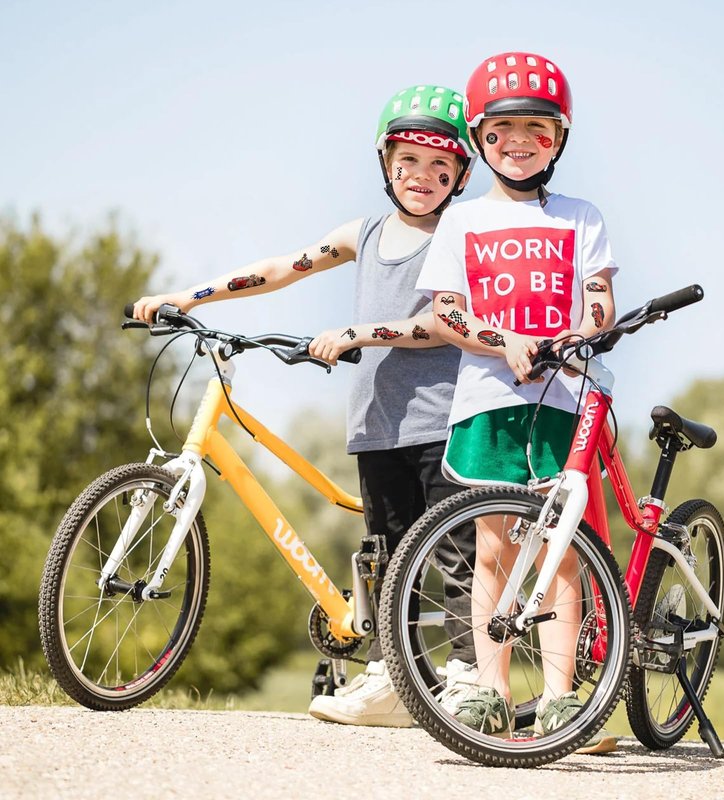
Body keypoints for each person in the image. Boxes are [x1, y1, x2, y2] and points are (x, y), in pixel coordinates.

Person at [132, 84, 479, 728]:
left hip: (445, 418)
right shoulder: (365, 233)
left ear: (460, 176)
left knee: (458, 556)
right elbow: (280, 268)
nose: (420, 175)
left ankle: (469, 681)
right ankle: (393, 677)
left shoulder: (461, 237)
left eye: (440, 165)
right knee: (387, 554)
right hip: (378, 422)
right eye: (407, 160)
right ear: (385, 163)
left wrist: (357, 334)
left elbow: (444, 323)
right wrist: (189, 297)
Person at [415, 52, 618, 753]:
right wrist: (503, 341)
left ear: (558, 139)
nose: (520, 141)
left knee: (560, 552)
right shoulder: (462, 221)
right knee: (493, 547)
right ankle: (493, 696)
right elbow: (447, 311)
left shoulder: (581, 217)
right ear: (480, 138)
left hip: (561, 400)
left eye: (538, 128)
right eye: (503, 129)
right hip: (486, 401)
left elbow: (599, 302)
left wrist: (574, 336)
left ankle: (561, 700)